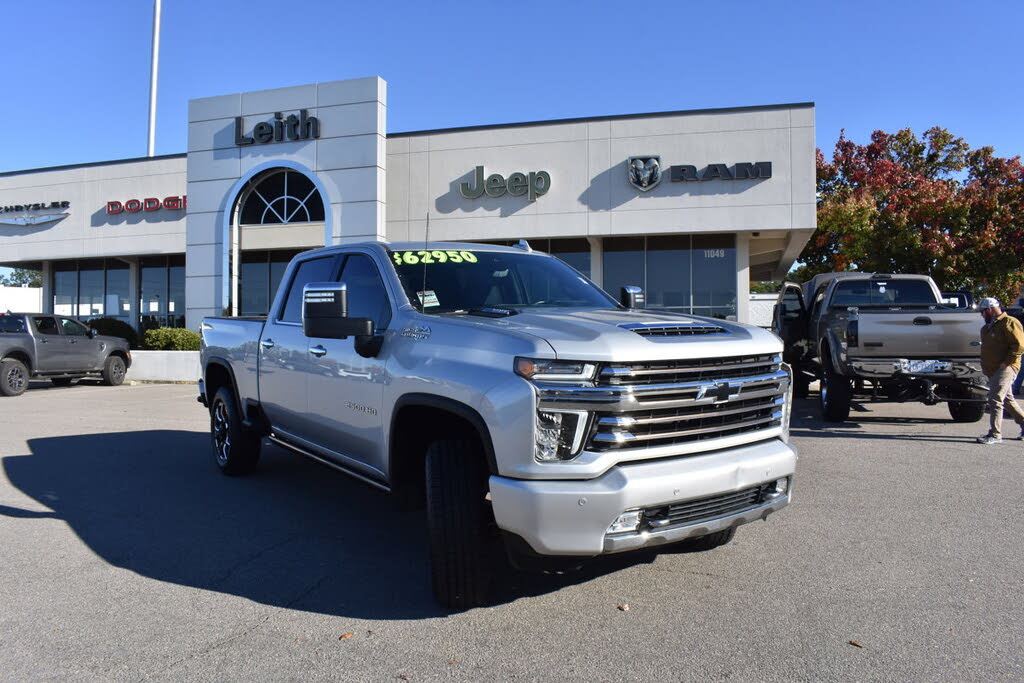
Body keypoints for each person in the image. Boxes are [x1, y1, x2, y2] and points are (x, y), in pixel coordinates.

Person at [976, 297, 1024, 444]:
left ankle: (995, 434)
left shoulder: (1009, 322)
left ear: (989, 310)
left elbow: (1019, 346)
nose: (981, 315)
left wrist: (1007, 362)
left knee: (995, 397)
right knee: (1008, 400)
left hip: (1007, 368)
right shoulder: (987, 328)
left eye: (982, 312)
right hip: (993, 369)